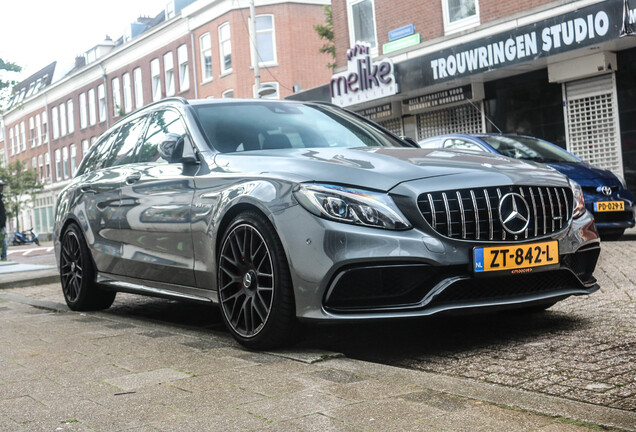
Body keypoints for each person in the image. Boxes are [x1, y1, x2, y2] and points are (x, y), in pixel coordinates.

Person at [0, 180, 7, 261]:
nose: (1, 188)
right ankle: (3, 258)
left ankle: (3, 258)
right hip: (0, 226)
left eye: (2, 186)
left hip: (1, 226)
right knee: (3, 243)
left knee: (3, 243)